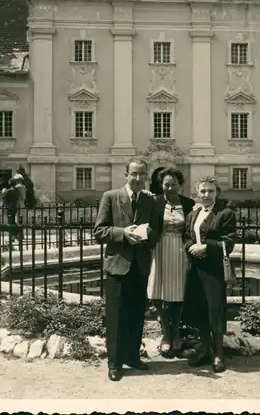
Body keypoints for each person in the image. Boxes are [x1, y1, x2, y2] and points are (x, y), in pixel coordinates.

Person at [94, 158, 160, 382]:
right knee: (116, 317)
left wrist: (146, 233)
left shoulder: (149, 201)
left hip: (140, 266)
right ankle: (114, 363)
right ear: (126, 174)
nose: (138, 178)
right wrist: (123, 233)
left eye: (142, 174)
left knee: (135, 315)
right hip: (117, 266)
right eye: (134, 174)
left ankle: (132, 356)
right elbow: (99, 231)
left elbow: (156, 233)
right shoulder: (111, 197)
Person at [183, 176, 236, 373]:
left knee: (215, 310)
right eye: (203, 191)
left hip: (214, 270)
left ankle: (218, 353)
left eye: (210, 191)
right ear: (197, 193)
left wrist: (205, 247)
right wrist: (191, 247)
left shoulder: (225, 214)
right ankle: (204, 349)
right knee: (199, 309)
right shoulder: (193, 214)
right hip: (196, 269)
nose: (206, 195)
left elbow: (228, 243)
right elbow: (186, 237)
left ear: (217, 193)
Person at [147, 168, 195, 355]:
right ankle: (166, 333)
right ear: (161, 185)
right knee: (157, 291)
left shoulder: (189, 204)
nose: (170, 188)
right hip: (159, 249)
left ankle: (176, 333)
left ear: (180, 185)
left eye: (173, 184)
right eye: (166, 184)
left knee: (179, 292)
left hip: (180, 251)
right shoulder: (155, 202)